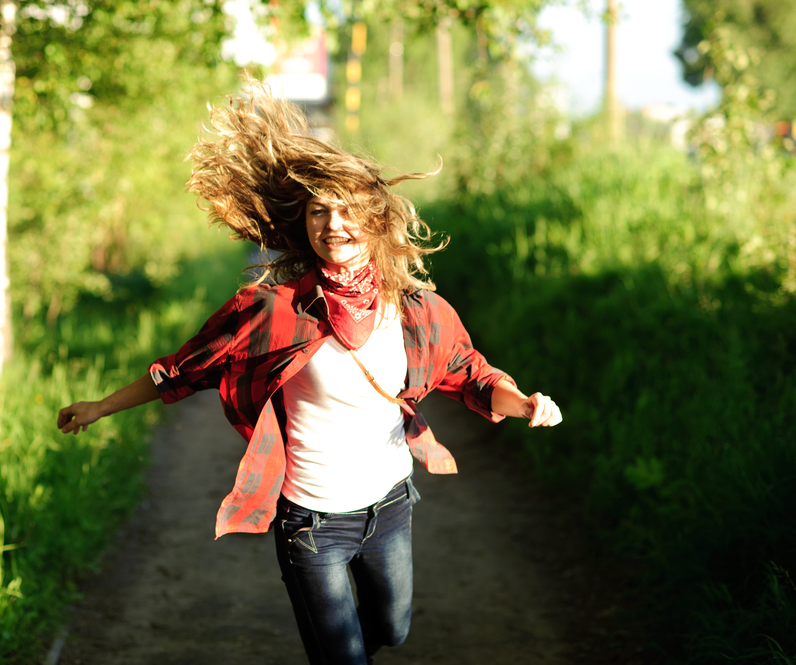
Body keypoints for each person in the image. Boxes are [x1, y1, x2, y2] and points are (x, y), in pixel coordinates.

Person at [56, 81, 562, 665]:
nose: (333, 224)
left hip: (391, 503)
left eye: (348, 210)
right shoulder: (274, 309)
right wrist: (99, 406)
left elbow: (469, 374)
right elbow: (181, 370)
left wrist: (522, 403)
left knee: (392, 630)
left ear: (375, 220)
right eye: (319, 211)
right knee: (341, 657)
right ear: (304, 225)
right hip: (312, 522)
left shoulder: (417, 309)